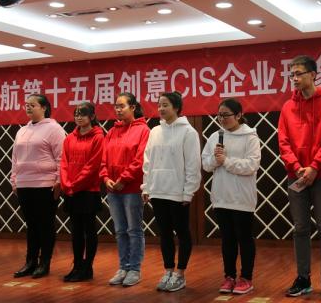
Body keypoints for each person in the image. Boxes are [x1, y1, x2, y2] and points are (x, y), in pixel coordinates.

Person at [278, 55, 321, 300]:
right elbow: (283, 142)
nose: (294, 78)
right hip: (296, 175)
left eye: (299, 74)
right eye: (292, 74)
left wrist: (314, 167)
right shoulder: (287, 107)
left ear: (313, 75)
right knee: (300, 228)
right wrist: (296, 167)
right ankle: (303, 278)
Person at [142, 91, 201, 292]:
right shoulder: (155, 131)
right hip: (158, 190)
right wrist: (146, 186)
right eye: (159, 105)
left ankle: (180, 274)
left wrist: (188, 191)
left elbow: (193, 164)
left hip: (178, 192)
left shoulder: (188, 132)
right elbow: (148, 161)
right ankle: (168, 271)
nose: (161, 108)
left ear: (176, 107)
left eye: (165, 105)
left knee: (182, 233)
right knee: (165, 234)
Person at [202, 98, 261, 295]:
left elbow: (251, 165)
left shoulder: (250, 136)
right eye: (219, 115)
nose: (222, 119)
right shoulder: (215, 136)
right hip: (221, 196)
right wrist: (216, 160)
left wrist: (226, 161)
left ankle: (246, 278)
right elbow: (206, 164)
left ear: (238, 115)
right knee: (227, 239)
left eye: (226, 115)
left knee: (244, 238)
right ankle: (229, 276)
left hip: (242, 198)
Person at [10, 94, 66, 279]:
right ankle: (30, 261)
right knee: (31, 225)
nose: (28, 107)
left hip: (45, 184)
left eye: (32, 105)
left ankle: (44, 263)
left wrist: (58, 180)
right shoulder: (21, 131)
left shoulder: (54, 129)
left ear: (44, 108)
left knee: (45, 225)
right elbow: (15, 158)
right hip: (24, 184)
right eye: (26, 105)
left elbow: (61, 157)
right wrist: (14, 180)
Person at [100, 92, 150, 287]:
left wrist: (123, 179)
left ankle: (134, 269)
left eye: (122, 106)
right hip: (113, 189)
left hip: (131, 188)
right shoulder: (112, 131)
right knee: (120, 230)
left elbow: (140, 160)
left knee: (134, 230)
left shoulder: (143, 130)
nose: (118, 110)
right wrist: (106, 178)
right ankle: (123, 267)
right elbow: (103, 159)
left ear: (133, 107)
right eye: (116, 106)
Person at [60, 102, 104, 282]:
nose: (78, 117)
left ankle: (87, 267)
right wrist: (66, 184)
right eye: (76, 114)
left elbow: (93, 166)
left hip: (88, 190)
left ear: (92, 116)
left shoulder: (98, 137)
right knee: (76, 231)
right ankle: (77, 265)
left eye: (83, 114)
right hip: (71, 190)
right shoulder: (69, 138)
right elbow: (64, 163)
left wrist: (74, 184)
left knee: (89, 230)